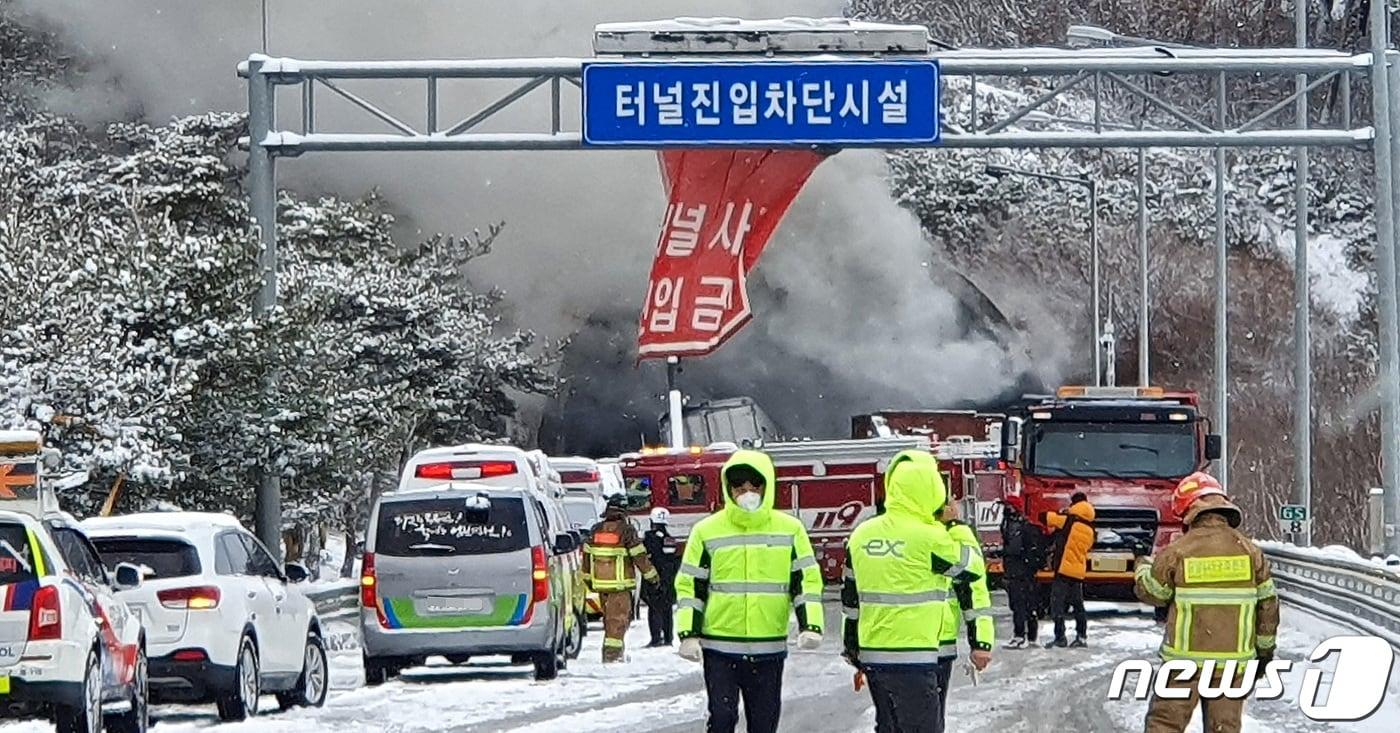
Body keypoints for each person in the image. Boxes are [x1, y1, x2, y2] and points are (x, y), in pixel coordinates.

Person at [674, 450, 823, 733]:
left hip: (769, 648)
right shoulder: (707, 531)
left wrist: (811, 625)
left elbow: (806, 582)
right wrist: (688, 634)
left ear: (767, 486)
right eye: (739, 486)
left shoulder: (790, 530)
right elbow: (691, 586)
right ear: (728, 488)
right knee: (722, 717)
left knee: (764, 723)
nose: (747, 492)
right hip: (720, 647)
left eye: (755, 485)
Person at [840, 449, 982, 733]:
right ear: (932, 490)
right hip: (915, 656)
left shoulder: (862, 535)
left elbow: (851, 600)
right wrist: (955, 526)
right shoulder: (930, 537)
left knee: (888, 726)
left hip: (874, 655)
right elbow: (970, 569)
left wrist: (852, 647)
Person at [1135, 472, 1279, 733]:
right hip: (1232, 665)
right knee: (1224, 728)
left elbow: (1154, 593)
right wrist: (1265, 652)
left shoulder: (1178, 551)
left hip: (1183, 664)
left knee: (1165, 725)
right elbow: (1268, 605)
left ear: (1188, 510)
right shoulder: (1249, 551)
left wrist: (1142, 568)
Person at [934, 500, 994, 731]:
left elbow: (973, 590)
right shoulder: (951, 535)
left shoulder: (878, 532)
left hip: (889, 648)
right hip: (934, 645)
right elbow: (974, 590)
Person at [582, 493, 660, 663]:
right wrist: (652, 576)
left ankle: (612, 653)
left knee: (610, 621)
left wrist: (588, 579)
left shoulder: (595, 530)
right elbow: (639, 556)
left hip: (600, 585)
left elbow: (587, 556)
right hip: (620, 586)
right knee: (617, 622)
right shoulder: (626, 531)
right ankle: (612, 657)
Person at [1040, 491, 1095, 648]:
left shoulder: (1068, 520)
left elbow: (1044, 517)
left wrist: (1061, 513)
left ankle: (1060, 637)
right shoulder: (1090, 528)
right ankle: (1082, 636)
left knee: (1057, 604)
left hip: (1063, 570)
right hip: (1078, 571)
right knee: (1078, 605)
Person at [998, 494, 1043, 648]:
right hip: (1025, 571)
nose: (1004, 509)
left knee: (1018, 605)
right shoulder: (1021, 525)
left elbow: (1014, 549)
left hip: (1018, 571)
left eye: (1007, 506)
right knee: (1029, 605)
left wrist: (1001, 553)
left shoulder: (1014, 526)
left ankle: (1019, 636)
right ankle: (1032, 636)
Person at [642, 506, 680, 647]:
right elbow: (671, 559)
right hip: (668, 578)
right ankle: (669, 637)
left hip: (654, 576)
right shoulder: (669, 538)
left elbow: (647, 555)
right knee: (667, 608)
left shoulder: (649, 537)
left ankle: (656, 638)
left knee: (654, 608)